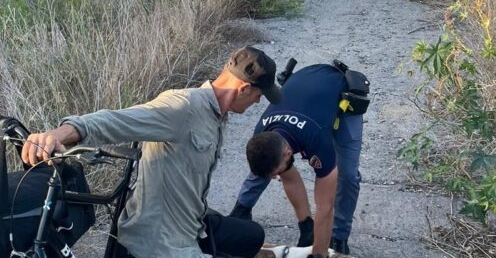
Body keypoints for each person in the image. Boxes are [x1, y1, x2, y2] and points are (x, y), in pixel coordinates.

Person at [20, 46, 282, 258]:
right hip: (161, 243)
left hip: (191, 228)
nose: (259, 102)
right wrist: (56, 135)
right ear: (245, 88)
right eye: (259, 95)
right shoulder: (184, 107)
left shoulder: (217, 115)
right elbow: (114, 121)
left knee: (251, 235)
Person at [229, 61, 369, 257]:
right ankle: (240, 212)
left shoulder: (317, 139)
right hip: (305, 84)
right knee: (264, 166)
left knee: (347, 175)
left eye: (277, 173)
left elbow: (325, 206)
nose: (276, 178)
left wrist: (319, 253)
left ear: (288, 153)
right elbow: (286, 175)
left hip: (343, 95)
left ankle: (339, 237)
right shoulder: (262, 133)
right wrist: (307, 227)